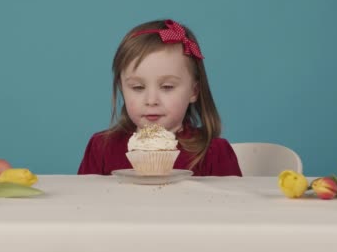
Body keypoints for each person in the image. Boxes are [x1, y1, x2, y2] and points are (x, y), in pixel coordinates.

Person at [78, 19, 241, 176]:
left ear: (194, 91)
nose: (151, 100)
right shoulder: (101, 147)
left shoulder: (213, 152)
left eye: (167, 87)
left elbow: (235, 203)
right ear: (122, 89)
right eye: (138, 87)